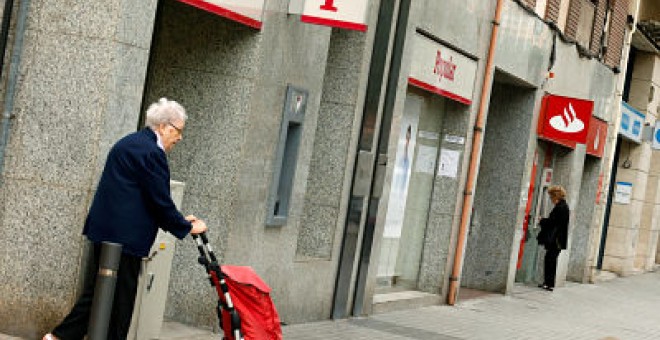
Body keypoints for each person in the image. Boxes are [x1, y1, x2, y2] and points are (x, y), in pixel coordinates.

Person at [43, 98, 208, 340]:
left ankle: (58, 337)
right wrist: (187, 226)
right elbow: (159, 201)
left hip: (107, 232)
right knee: (119, 303)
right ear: (164, 126)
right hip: (125, 239)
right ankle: (59, 337)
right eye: (179, 131)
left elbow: (141, 197)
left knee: (101, 293)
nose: (180, 137)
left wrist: (181, 221)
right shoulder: (152, 153)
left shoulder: (131, 143)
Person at [537, 185, 569, 292]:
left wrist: (542, 220)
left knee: (550, 260)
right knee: (550, 260)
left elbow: (553, 223)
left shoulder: (560, 208)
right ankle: (548, 283)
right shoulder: (563, 206)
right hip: (558, 240)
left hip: (556, 240)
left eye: (551, 197)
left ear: (556, 196)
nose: (550, 199)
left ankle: (549, 283)